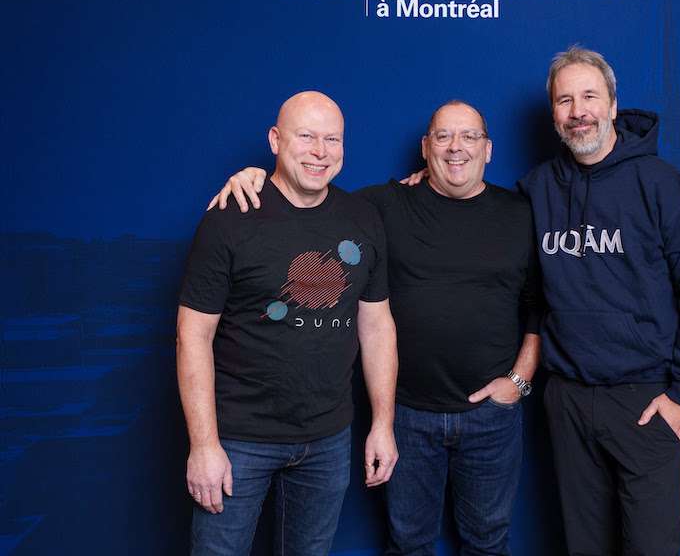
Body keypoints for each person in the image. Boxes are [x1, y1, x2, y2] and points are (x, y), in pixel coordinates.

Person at [208, 100, 541, 556]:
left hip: (492, 419)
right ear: (426, 148)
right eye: (443, 136)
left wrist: (519, 382)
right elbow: (307, 191)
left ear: (489, 149)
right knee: (407, 543)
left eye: (469, 137)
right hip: (408, 415)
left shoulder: (521, 213)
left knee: (488, 540)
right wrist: (254, 177)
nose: (456, 147)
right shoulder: (379, 207)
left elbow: (538, 306)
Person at [517, 46, 680, 555]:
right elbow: (492, 240)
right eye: (565, 100)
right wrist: (425, 184)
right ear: (554, 115)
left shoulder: (664, 187)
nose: (578, 110)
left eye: (590, 96)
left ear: (613, 105)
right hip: (567, 399)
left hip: (645, 400)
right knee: (583, 546)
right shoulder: (537, 189)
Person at [176, 91, 398, 556]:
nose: (321, 151)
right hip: (238, 440)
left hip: (328, 438)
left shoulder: (363, 218)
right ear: (276, 140)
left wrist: (383, 424)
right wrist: (204, 445)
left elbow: (376, 327)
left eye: (332, 139)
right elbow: (192, 335)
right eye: (307, 137)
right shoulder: (230, 218)